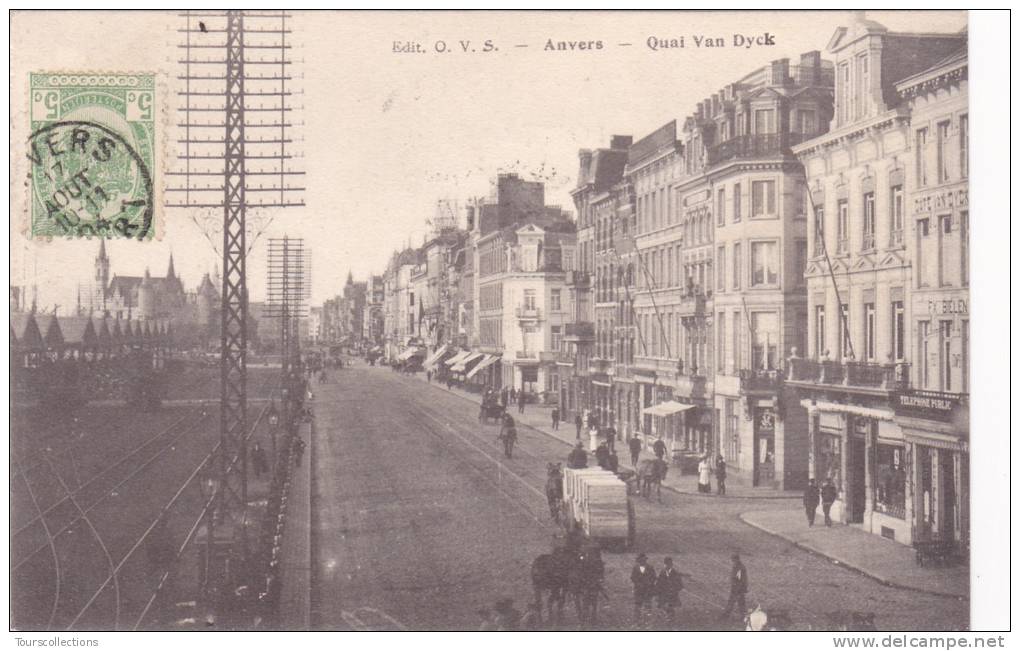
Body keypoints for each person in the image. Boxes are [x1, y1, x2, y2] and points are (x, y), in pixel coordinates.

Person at [656, 557, 684, 624]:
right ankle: (668, 618)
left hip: (672, 593)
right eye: (666, 564)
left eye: (669, 564)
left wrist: (675, 589)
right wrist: (658, 590)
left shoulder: (675, 572)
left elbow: (680, 584)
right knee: (664, 606)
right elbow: (659, 582)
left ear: (671, 564)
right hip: (664, 593)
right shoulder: (662, 572)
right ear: (664, 564)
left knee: (670, 606)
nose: (668, 565)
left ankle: (671, 620)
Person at [630, 553, 657, 621]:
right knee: (638, 604)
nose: (642, 561)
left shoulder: (650, 567)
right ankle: (637, 619)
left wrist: (649, 583)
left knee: (648, 604)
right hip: (638, 589)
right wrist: (638, 583)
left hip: (648, 589)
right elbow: (633, 577)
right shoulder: (635, 568)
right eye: (640, 560)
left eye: (644, 560)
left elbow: (654, 577)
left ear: (645, 560)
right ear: (638, 560)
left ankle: (647, 619)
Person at [721, 554, 748, 621]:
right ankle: (743, 617)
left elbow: (740, 579)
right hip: (738, 588)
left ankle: (726, 616)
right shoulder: (738, 566)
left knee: (732, 602)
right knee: (740, 603)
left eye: (733, 559)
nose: (732, 561)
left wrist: (737, 588)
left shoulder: (739, 568)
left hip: (737, 588)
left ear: (736, 559)